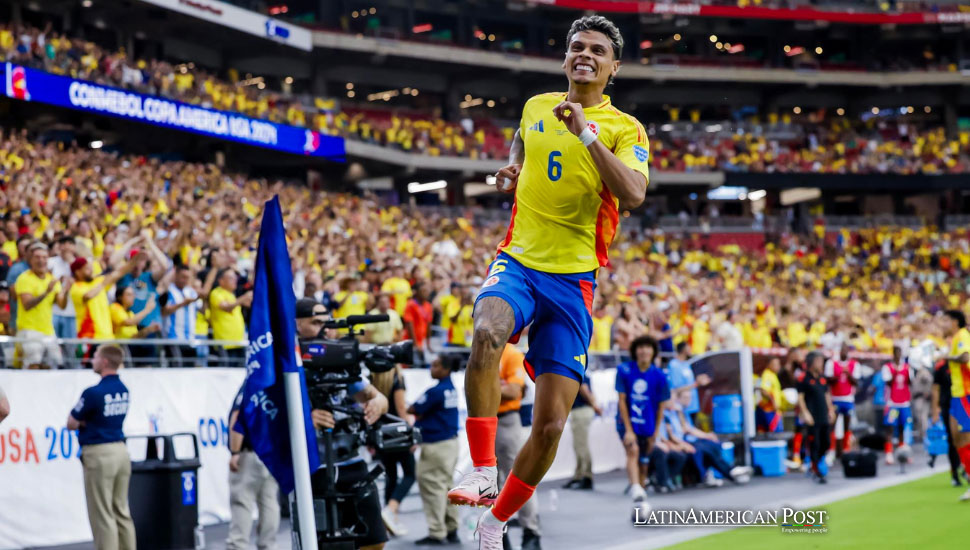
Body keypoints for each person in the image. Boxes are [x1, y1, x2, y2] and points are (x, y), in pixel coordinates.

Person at [446, 15, 649, 549]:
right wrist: (512, 168)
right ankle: (484, 468)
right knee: (487, 331)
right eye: (577, 47)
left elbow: (632, 195)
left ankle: (496, 522)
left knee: (553, 424)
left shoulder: (627, 128)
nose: (585, 54)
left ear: (613, 67)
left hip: (574, 280)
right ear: (565, 59)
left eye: (597, 50)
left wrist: (585, 133)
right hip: (519, 260)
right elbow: (521, 139)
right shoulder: (537, 106)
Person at [296, 298, 390, 550]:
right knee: (318, 544)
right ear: (297, 324)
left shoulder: (337, 361)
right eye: (316, 322)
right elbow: (269, 416)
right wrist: (305, 420)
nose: (324, 328)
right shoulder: (287, 367)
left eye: (327, 322)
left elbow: (374, 396)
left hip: (351, 462)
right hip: (312, 467)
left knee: (374, 540)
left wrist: (379, 402)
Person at [66, 344, 136, 550]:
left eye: (95, 356)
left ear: (104, 361)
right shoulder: (124, 389)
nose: (92, 360)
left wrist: (86, 422)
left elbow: (71, 422)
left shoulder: (93, 393)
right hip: (120, 451)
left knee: (102, 515)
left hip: (99, 453)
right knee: (121, 510)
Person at [409, 355, 461, 545]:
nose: (432, 368)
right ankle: (451, 528)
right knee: (446, 486)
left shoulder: (436, 391)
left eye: (436, 365)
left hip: (436, 445)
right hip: (450, 443)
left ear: (446, 369)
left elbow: (412, 408)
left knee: (432, 487)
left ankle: (436, 532)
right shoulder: (451, 388)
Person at [495, 344, 541, 549]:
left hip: (506, 421)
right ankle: (497, 534)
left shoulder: (511, 354)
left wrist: (484, 386)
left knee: (519, 477)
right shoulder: (482, 353)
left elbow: (513, 391)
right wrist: (496, 386)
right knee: (489, 483)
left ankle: (531, 531)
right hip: (484, 422)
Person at [615, 336, 669, 504]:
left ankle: (639, 484)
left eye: (648, 347)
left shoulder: (660, 376)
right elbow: (622, 400)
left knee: (644, 461)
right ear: (635, 351)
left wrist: (656, 431)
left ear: (653, 352)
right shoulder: (624, 370)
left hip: (648, 424)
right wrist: (629, 430)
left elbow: (661, 407)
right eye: (640, 347)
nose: (644, 351)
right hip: (627, 422)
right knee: (633, 450)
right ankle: (636, 488)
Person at [227, 383, 280, 550]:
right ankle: (268, 546)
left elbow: (237, 416)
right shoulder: (275, 384)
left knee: (242, 501)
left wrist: (235, 451)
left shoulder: (253, 382)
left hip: (250, 453)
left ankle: (238, 546)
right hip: (271, 453)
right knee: (269, 502)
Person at [371, 364, 414, 537]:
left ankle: (390, 518)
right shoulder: (397, 380)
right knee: (411, 474)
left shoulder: (372, 381)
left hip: (380, 433)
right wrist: (409, 433)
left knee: (391, 475)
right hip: (397, 433)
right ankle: (390, 509)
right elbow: (401, 410)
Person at [15, 241, 71, 368]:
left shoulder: (52, 280)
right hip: (29, 330)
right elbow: (27, 305)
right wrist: (46, 293)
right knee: (33, 365)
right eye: (37, 257)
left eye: (44, 257)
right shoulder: (24, 278)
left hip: (49, 331)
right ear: (31, 260)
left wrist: (66, 291)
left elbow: (62, 305)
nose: (41, 261)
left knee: (53, 364)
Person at [70, 254, 142, 346]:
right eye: (87, 269)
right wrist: (103, 283)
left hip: (108, 337)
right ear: (78, 272)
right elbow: (88, 296)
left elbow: (119, 273)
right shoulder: (75, 287)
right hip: (90, 337)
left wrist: (134, 261)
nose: (92, 270)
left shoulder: (98, 281)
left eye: (91, 268)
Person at [941, 310, 970, 501]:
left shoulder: (962, 336)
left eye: (945, 320)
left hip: (965, 394)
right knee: (957, 438)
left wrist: (945, 357)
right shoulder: (955, 339)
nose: (943, 324)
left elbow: (965, 357)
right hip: (956, 394)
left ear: (954, 322)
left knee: (964, 438)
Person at [798, 351, 835, 484]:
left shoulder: (822, 378)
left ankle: (817, 462)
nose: (821, 364)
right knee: (815, 443)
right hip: (812, 417)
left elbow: (826, 395)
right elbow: (800, 397)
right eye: (818, 361)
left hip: (823, 414)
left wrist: (830, 410)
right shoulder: (804, 378)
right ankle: (817, 470)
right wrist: (805, 413)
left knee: (826, 442)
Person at [563, 372, 602, 490]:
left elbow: (584, 389)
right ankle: (579, 474)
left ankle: (586, 476)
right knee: (578, 445)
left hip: (581, 410)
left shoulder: (577, 370)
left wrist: (594, 406)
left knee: (581, 445)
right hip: (580, 410)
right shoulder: (581, 371)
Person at [209, 269, 252, 364]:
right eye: (231, 278)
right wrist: (243, 298)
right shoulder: (216, 293)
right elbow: (226, 307)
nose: (235, 280)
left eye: (235, 278)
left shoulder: (232, 295)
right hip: (224, 343)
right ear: (221, 281)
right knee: (226, 372)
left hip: (238, 342)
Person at [932, 357, 963, 486]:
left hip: (963, 405)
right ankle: (955, 472)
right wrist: (935, 410)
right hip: (948, 407)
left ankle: (964, 467)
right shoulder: (942, 367)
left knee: (964, 439)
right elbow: (935, 389)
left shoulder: (963, 365)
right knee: (953, 440)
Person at [824, 344, 860, 457]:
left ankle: (846, 449)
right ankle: (831, 450)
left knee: (847, 425)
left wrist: (848, 374)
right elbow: (828, 380)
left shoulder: (854, 364)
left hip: (848, 399)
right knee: (832, 425)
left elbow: (856, 382)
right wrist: (840, 374)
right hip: (835, 399)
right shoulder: (831, 364)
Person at [161, 265, 200, 363]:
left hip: (190, 339)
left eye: (188, 277)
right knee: (176, 369)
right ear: (176, 275)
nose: (185, 280)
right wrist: (182, 304)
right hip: (173, 338)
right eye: (183, 277)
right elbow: (163, 311)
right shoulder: (168, 291)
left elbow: (200, 308)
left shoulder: (191, 292)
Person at [882, 346, 914, 465]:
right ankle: (889, 453)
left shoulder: (906, 367)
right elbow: (888, 382)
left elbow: (910, 382)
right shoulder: (888, 367)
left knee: (903, 427)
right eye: (896, 353)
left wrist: (906, 370)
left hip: (904, 403)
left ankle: (902, 453)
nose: (898, 356)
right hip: (892, 403)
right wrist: (896, 372)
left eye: (900, 353)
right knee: (890, 428)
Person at [666, 342, 709, 423]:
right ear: (683, 349)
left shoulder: (686, 364)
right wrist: (696, 384)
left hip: (692, 404)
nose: (690, 349)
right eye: (689, 347)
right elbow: (675, 388)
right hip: (682, 407)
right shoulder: (674, 365)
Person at [403, 280, 433, 366]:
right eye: (423, 291)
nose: (426, 293)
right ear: (417, 292)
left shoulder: (428, 306)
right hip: (410, 342)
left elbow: (429, 325)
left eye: (427, 291)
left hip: (422, 343)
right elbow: (409, 325)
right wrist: (415, 344)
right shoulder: (411, 304)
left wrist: (428, 344)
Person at [755, 357, 784, 434]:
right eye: (775, 364)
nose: (778, 366)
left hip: (774, 410)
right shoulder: (767, 374)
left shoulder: (773, 375)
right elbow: (763, 390)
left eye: (778, 364)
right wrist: (773, 402)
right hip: (769, 409)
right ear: (768, 365)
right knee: (774, 433)